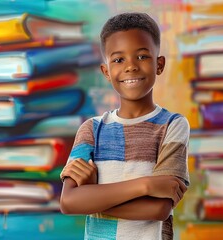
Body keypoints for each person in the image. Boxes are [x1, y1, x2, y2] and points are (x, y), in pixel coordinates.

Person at [59, 12, 190, 240]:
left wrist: (92, 196)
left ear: (159, 64)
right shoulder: (91, 129)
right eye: (119, 60)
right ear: (106, 72)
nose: (131, 67)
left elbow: (158, 210)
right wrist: (146, 185)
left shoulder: (173, 125)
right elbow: (69, 202)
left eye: (141, 56)